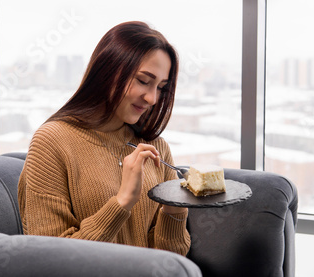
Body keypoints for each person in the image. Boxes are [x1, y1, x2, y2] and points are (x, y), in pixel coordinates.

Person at [17, 21, 191, 256]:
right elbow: (51, 259)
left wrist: (174, 209)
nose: (152, 98)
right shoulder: (52, 142)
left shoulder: (156, 148)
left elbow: (172, 260)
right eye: (143, 80)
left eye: (160, 87)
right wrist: (122, 202)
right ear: (108, 72)